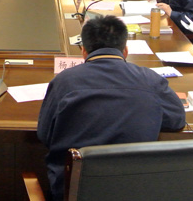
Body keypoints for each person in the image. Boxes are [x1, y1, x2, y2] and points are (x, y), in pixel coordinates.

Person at [37, 16, 185, 201]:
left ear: (84, 52)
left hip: (72, 191)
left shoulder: (64, 81)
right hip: (135, 191)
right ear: (125, 51)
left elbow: (44, 134)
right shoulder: (150, 79)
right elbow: (177, 120)